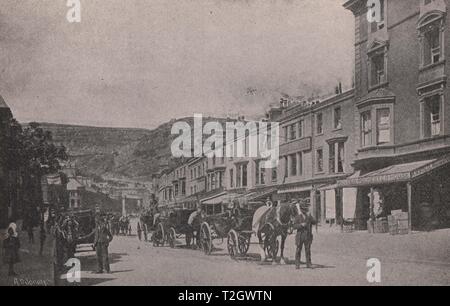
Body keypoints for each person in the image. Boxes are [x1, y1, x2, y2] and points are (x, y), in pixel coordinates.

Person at [293, 199, 317, 270]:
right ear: (301, 209)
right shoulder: (297, 217)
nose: (304, 210)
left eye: (305, 209)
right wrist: (301, 225)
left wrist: (311, 217)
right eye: (303, 209)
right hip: (300, 236)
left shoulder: (308, 216)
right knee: (298, 250)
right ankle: (297, 264)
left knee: (308, 250)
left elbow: (315, 222)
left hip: (307, 236)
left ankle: (308, 264)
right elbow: (294, 226)